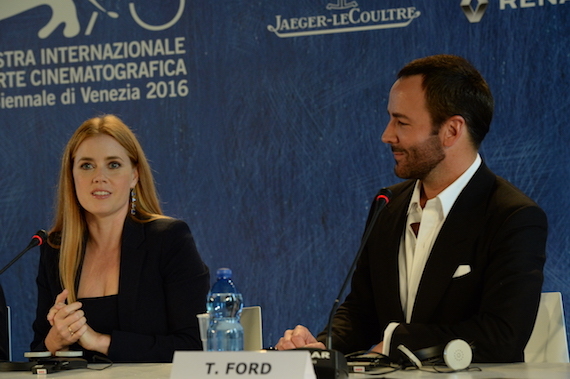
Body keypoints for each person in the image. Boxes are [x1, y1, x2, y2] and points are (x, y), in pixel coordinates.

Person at [276, 55, 547, 363]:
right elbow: (363, 310)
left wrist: (394, 341)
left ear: (452, 131)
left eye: (401, 122)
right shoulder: (387, 205)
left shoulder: (513, 217)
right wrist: (323, 346)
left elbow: (501, 337)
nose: (387, 135)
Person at [31, 115, 210, 362]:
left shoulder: (169, 240)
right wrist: (55, 341)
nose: (99, 177)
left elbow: (194, 347)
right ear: (71, 177)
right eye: (86, 165)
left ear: (135, 176)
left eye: (113, 164)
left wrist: (100, 341)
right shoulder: (55, 249)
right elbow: (37, 354)